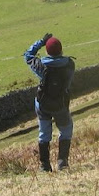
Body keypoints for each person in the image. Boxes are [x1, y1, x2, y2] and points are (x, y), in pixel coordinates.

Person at [24, 32, 75, 172]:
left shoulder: (41, 66)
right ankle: (62, 162)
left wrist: (41, 42)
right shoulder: (70, 65)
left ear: (47, 50)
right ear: (61, 49)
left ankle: (44, 165)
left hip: (43, 104)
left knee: (44, 133)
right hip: (61, 104)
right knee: (66, 131)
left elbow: (28, 55)